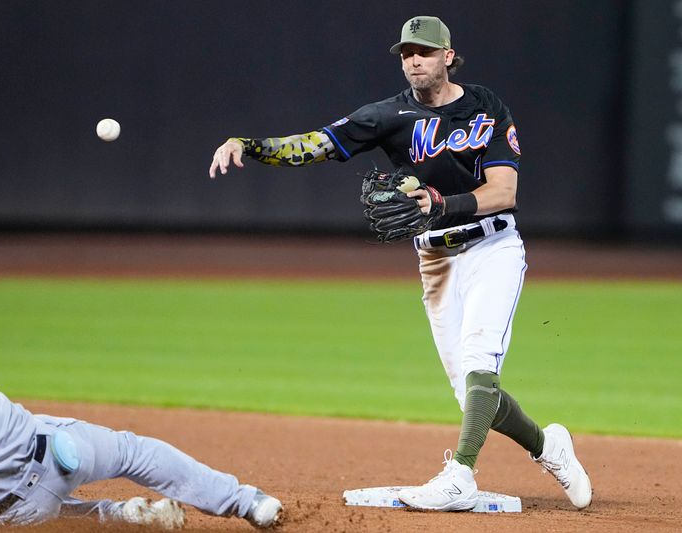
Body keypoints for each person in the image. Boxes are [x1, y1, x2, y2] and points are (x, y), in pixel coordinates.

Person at [209, 15, 592, 512]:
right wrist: (249, 145)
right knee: (475, 397)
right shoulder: (386, 115)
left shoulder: (485, 106)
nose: (414, 60)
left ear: (448, 56)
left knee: (480, 362)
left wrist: (440, 203)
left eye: (425, 52)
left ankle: (460, 476)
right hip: (435, 260)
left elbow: (504, 191)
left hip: (493, 249)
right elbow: (318, 144)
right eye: (407, 53)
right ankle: (550, 447)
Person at [0, 328, 283, 528]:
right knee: (133, 452)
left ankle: (118, 515)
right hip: (61, 449)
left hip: (20, 511)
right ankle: (247, 502)